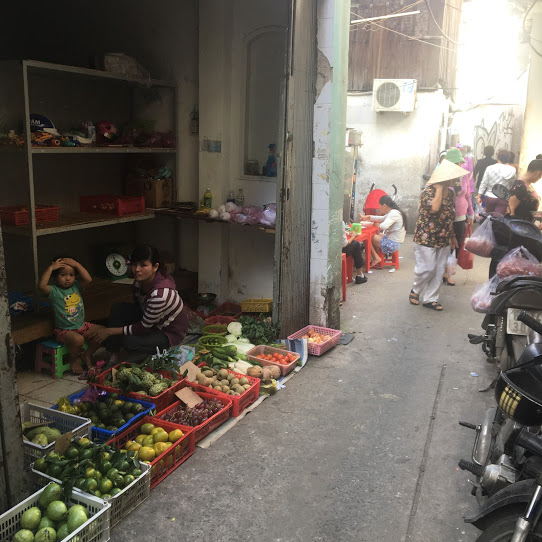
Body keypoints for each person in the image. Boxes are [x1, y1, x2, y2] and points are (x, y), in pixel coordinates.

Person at [87, 244, 189, 362]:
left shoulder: (159, 295)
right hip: (150, 318)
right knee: (118, 308)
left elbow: (143, 328)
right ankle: (113, 353)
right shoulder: (140, 281)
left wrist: (109, 331)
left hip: (167, 331)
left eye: (143, 265)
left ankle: (160, 349)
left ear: (155, 267)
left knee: (129, 341)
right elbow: (138, 304)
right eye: (134, 264)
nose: (137, 269)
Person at [409, 160, 467, 311]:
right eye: (452, 177)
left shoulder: (451, 194)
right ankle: (416, 290)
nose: (455, 180)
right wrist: (439, 189)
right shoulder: (428, 192)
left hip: (444, 237)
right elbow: (434, 208)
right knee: (427, 268)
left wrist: (453, 236)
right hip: (426, 237)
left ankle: (430, 298)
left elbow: (450, 216)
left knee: (439, 270)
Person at [38, 257, 102, 376]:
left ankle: (87, 354)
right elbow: (41, 286)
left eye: (71, 275)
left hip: (82, 326)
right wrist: (51, 268)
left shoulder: (76, 286)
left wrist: (77, 264)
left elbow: (88, 279)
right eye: (63, 275)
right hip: (65, 331)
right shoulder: (54, 291)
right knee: (78, 340)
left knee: (103, 332)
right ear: (55, 277)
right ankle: (74, 359)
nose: (68, 278)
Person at [442, 148, 474, 285]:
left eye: (460, 163)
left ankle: (448, 272)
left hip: (460, 216)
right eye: (457, 163)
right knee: (445, 244)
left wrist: (470, 213)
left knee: (457, 245)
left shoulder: (464, 177)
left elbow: (468, 196)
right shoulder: (443, 178)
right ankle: (443, 271)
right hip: (446, 217)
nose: (460, 165)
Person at [359, 195, 406, 267]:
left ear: (384, 205)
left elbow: (384, 226)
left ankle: (376, 258)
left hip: (392, 244)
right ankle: (376, 256)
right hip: (395, 241)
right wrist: (368, 217)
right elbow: (382, 218)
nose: (379, 209)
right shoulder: (394, 212)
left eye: (379, 206)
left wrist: (378, 227)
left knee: (368, 238)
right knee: (377, 235)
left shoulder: (393, 213)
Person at [477, 150, 516, 215]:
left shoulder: (490, 168)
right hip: (503, 198)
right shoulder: (512, 170)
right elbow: (512, 184)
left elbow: (484, 183)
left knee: (489, 217)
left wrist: (479, 196)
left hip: (490, 197)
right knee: (499, 218)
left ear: (498, 157)